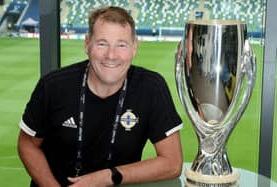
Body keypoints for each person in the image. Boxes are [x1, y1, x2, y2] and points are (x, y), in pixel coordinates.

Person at [18, 6, 183, 187]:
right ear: (87, 44)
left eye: (121, 45)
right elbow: (27, 145)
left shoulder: (151, 87)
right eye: (102, 43)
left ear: (134, 48)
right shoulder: (53, 86)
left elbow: (172, 163)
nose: (111, 55)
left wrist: (107, 177)